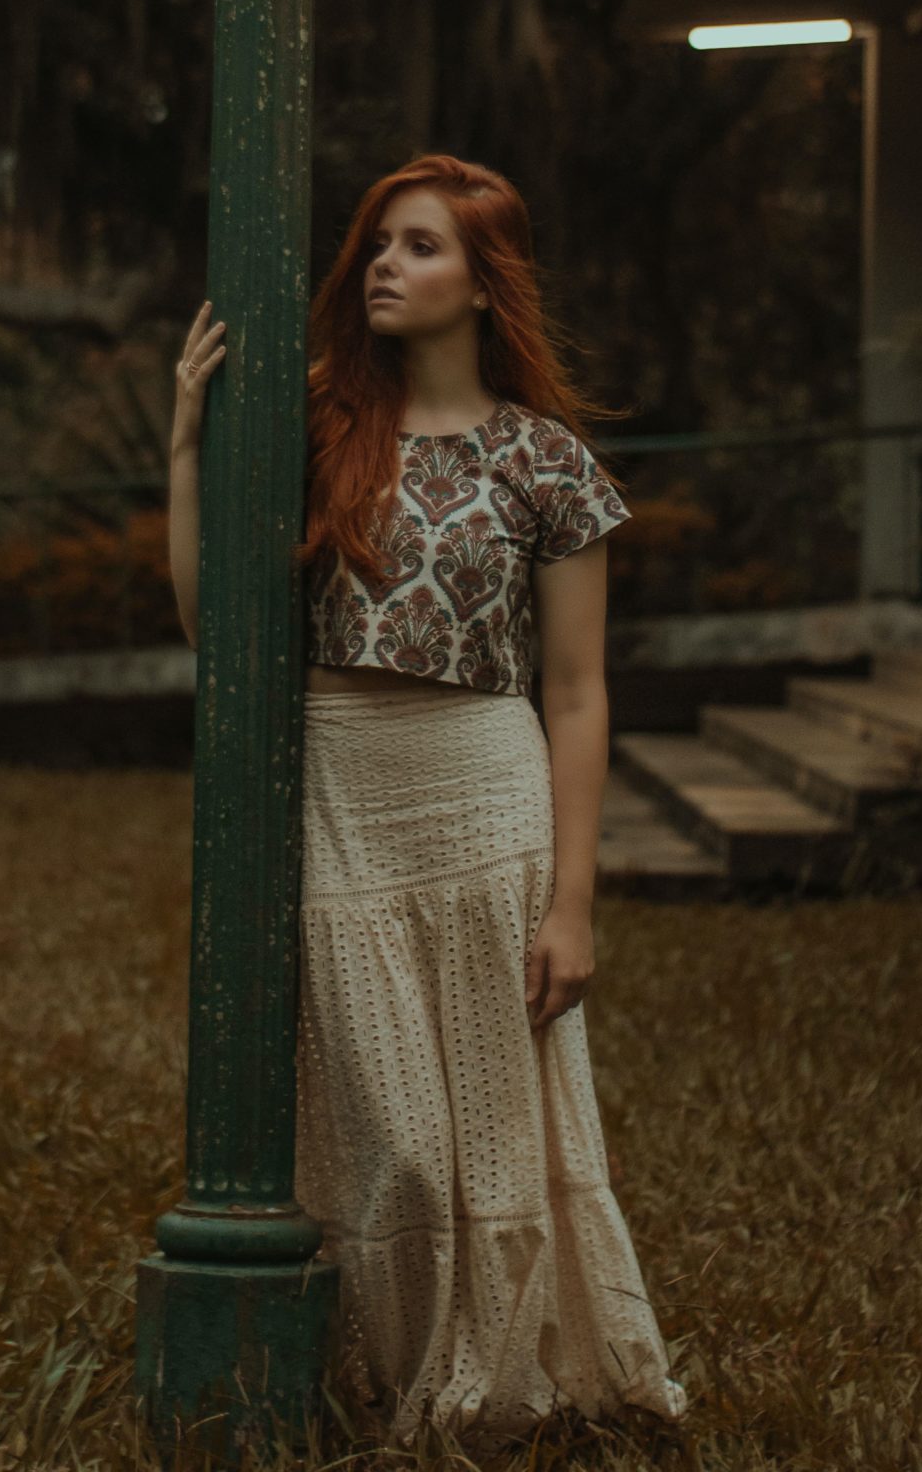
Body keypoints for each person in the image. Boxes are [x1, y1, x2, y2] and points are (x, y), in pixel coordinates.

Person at [167, 151, 687, 1446]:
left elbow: (576, 695)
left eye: (420, 246)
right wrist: (186, 449)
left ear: (483, 282)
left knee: (500, 1121)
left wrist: (574, 904)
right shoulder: (321, 427)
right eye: (380, 246)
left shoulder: (548, 464)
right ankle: (400, 1371)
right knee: (391, 1128)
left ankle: (506, 1390)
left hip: (484, 794)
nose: (385, 268)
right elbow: (215, 629)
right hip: (342, 788)